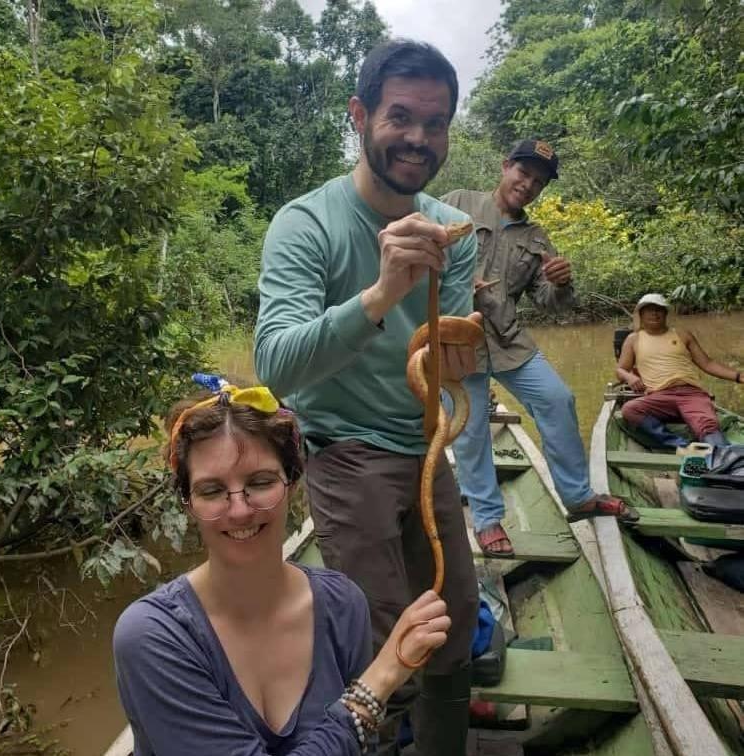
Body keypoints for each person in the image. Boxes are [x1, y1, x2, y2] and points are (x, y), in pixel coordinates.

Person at [254, 40, 480, 756]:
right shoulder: (306, 225)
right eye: (401, 116)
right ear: (360, 115)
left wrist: (467, 348)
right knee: (377, 635)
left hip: (426, 446)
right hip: (345, 451)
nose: (418, 138)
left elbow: (450, 363)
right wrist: (382, 294)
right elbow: (276, 366)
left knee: (454, 620)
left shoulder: (454, 232)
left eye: (436, 122)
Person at [112, 377, 451, 756]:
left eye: (260, 482)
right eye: (211, 490)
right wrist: (380, 680)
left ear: (291, 483)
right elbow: (360, 718)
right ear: (187, 502)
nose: (239, 510)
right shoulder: (153, 636)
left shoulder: (343, 605)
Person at [442, 140, 636, 558]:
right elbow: (416, 248)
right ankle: (488, 519)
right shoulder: (457, 203)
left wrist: (562, 283)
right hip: (456, 338)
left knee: (558, 399)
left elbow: (546, 302)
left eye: (538, 182)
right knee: (471, 429)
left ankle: (577, 495)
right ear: (505, 166)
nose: (528, 185)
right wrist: (453, 283)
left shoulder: (537, 237)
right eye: (523, 173)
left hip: (508, 339)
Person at [616, 293, 742, 449]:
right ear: (641, 314)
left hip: (690, 393)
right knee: (630, 409)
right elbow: (620, 369)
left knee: (707, 426)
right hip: (659, 397)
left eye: (659, 309)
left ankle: (724, 456)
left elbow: (707, 364)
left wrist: (738, 376)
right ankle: (681, 445)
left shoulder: (682, 334)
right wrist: (630, 377)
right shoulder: (633, 339)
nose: (654, 313)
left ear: (666, 313)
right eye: (649, 310)